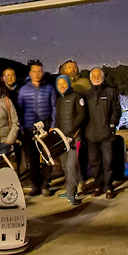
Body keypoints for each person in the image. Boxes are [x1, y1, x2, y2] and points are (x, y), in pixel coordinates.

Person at [16, 60, 56, 196]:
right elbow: (19, 110)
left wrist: (53, 125)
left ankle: (45, 185)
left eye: (40, 71)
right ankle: (35, 185)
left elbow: (54, 107)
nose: (37, 74)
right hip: (28, 129)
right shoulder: (23, 90)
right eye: (34, 71)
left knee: (46, 158)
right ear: (30, 73)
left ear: (43, 72)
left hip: (45, 128)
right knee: (32, 159)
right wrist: (21, 128)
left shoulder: (49, 88)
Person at [84, 68, 122, 199]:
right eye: (93, 76)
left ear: (103, 77)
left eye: (98, 75)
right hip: (91, 135)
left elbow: (116, 110)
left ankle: (109, 187)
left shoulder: (111, 92)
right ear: (90, 78)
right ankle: (98, 185)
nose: (96, 77)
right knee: (94, 163)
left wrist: (112, 124)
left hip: (106, 133)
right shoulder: (87, 94)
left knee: (108, 162)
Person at [53, 73, 86, 205]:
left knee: (71, 166)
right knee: (66, 167)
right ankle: (69, 189)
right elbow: (59, 119)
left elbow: (82, 116)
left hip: (74, 139)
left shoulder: (77, 97)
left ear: (68, 84)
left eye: (64, 83)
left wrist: (73, 131)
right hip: (62, 139)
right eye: (59, 84)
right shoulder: (59, 100)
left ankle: (72, 194)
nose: (62, 86)